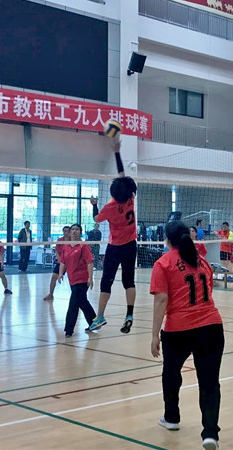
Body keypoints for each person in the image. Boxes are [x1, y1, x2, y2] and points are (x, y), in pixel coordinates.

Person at [150, 221, 224, 450]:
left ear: (167, 239)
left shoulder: (163, 263)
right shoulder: (202, 261)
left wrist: (154, 335)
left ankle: (171, 417)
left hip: (179, 329)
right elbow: (208, 290)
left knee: (171, 374)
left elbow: (161, 300)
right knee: (209, 382)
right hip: (211, 326)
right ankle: (210, 434)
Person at [88, 137, 138, 333]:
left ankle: (100, 316)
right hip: (131, 245)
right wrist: (117, 152)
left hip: (115, 247)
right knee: (129, 281)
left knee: (106, 282)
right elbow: (122, 175)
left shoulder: (109, 207)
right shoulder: (130, 198)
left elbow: (96, 219)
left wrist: (94, 205)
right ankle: (129, 314)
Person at [57, 224, 97, 338]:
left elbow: (90, 261)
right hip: (72, 279)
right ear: (70, 233)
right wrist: (60, 274)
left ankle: (68, 329)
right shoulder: (66, 246)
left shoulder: (83, 246)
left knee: (73, 304)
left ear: (80, 232)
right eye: (73, 230)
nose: (74, 231)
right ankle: (94, 321)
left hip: (82, 279)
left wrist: (90, 277)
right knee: (82, 301)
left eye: (77, 230)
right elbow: (63, 261)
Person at [43, 226, 71, 301]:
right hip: (62, 262)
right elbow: (57, 251)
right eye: (65, 231)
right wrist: (60, 260)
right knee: (54, 277)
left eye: (68, 231)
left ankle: (76, 296)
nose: (66, 233)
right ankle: (51, 294)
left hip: (71, 262)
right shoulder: (60, 240)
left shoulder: (73, 240)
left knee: (73, 279)